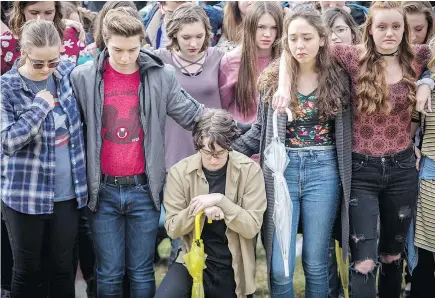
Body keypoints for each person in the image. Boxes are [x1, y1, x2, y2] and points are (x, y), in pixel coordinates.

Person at [274, 2, 433, 297]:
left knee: (392, 257)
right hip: (361, 171)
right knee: (363, 261)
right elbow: (292, 49)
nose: (389, 33)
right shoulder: (350, 57)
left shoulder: (417, 57)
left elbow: (432, 64)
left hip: (401, 169)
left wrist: (427, 80)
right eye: (381, 27)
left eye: (396, 27)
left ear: (405, 29)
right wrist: (283, 87)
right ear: (369, 29)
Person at [70, 7, 204, 298]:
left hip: (145, 189)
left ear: (142, 42)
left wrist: (244, 131)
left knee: (142, 270)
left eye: (133, 50)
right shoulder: (83, 77)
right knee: (108, 271)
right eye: (118, 50)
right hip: (102, 191)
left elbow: (195, 115)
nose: (125, 57)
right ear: (105, 41)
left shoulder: (159, 75)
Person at [232, 7, 351, 297]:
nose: (300, 45)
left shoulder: (339, 76)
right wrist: (228, 153)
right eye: (293, 38)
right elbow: (260, 131)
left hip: (324, 170)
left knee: (316, 261)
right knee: (279, 264)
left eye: (307, 38)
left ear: (322, 39)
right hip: (281, 172)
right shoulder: (273, 80)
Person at [1, 19, 87, 298]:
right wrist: (39, 107)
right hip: (24, 194)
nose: (47, 68)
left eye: (53, 60)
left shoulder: (66, 75)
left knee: (63, 269)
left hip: (67, 193)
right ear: (24, 52)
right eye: (39, 63)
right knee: (27, 270)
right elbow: (8, 141)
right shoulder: (7, 88)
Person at [155, 109, 266, 298]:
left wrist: (221, 201)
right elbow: (173, 228)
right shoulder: (179, 173)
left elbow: (252, 227)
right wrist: (200, 211)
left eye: (220, 153)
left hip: (233, 263)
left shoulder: (250, 171)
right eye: (207, 152)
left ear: (230, 145)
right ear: (198, 145)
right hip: (192, 258)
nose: (213, 159)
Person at [219, 1, 283, 134]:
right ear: (250, 26)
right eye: (261, 27)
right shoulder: (231, 61)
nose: (267, 34)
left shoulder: (286, 59)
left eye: (274, 28)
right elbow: (221, 107)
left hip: (276, 139)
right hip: (241, 140)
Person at [1, 1, 85, 74]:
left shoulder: (71, 36)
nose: (41, 19)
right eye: (33, 12)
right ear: (22, 10)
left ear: (56, 11)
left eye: (48, 13)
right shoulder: (5, 44)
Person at [76, 1, 138, 65]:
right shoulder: (87, 59)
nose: (125, 59)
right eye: (116, 24)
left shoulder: (144, 57)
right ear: (104, 25)